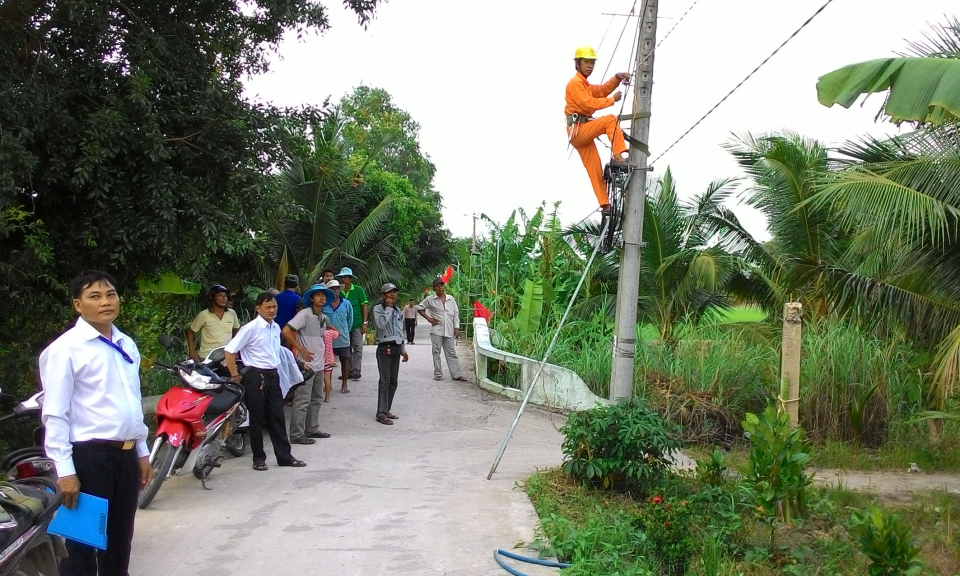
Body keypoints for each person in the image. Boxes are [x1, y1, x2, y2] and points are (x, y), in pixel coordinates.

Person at [39, 270, 153, 576]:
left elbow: (132, 402)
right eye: (95, 296)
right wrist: (65, 470)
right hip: (89, 458)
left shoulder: (126, 344)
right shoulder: (65, 349)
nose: (106, 302)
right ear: (78, 305)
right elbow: (55, 413)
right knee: (83, 545)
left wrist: (141, 452)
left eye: (111, 294)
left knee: (120, 541)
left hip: (125, 456)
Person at [223, 291, 306, 471]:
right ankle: (258, 458)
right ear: (258, 308)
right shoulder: (250, 328)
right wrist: (235, 375)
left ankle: (284, 456)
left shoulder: (275, 327)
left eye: (274, 307)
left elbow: (278, 352)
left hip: (272, 375)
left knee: (277, 417)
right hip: (255, 376)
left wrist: (297, 365)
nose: (271, 310)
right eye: (267, 307)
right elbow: (229, 351)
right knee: (257, 419)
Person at [565, 45, 632, 213]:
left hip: (580, 131)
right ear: (578, 64)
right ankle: (618, 155)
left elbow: (601, 90)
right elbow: (587, 104)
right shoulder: (576, 83)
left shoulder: (585, 85)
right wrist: (612, 100)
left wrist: (616, 78)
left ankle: (605, 205)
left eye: (592, 63)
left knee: (594, 168)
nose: (590, 66)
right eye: (586, 62)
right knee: (609, 120)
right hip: (578, 129)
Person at [282, 284, 335, 444]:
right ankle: (297, 434)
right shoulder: (304, 314)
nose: (322, 298)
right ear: (311, 298)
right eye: (318, 295)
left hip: (319, 363)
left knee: (316, 397)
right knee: (302, 399)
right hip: (307, 363)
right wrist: (300, 348)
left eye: (324, 295)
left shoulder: (324, 317)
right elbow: (285, 330)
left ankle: (312, 428)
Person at [417, 277, 467, 382]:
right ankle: (438, 374)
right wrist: (429, 319)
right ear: (434, 288)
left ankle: (456, 374)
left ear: (444, 286)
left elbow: (456, 313)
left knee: (451, 353)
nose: (440, 288)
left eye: (442, 285)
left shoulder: (451, 299)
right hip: (437, 330)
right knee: (436, 352)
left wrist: (456, 327)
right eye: (437, 286)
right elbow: (419, 308)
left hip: (449, 330)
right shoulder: (430, 299)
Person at [373, 283, 408, 425]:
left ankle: (386, 409)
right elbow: (381, 325)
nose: (392, 295)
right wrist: (387, 308)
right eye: (389, 292)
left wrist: (403, 349)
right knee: (385, 381)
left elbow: (400, 331)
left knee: (393, 381)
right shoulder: (378, 309)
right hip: (384, 347)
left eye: (394, 292)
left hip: (396, 347)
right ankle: (380, 413)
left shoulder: (398, 310)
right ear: (383, 296)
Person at [186, 284, 240, 362]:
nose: (224, 298)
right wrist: (192, 350)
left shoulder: (232, 313)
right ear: (212, 298)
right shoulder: (204, 315)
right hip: (207, 357)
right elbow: (190, 331)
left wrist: (235, 350)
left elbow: (237, 332)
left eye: (225, 296)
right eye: (220, 295)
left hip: (226, 356)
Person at [336, 267, 369, 380]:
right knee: (346, 349)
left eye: (345, 277)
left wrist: (364, 322)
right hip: (344, 326)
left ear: (350, 279)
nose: (343, 279)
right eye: (342, 277)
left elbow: (364, 306)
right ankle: (348, 371)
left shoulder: (358, 290)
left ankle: (356, 370)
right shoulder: (338, 292)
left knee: (357, 347)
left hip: (357, 324)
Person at [323, 278, 354, 394]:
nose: (334, 291)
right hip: (327, 340)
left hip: (343, 338)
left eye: (336, 289)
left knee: (345, 361)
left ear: (339, 290)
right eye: (331, 289)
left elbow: (350, 320)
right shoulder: (324, 305)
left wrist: (345, 331)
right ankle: (328, 385)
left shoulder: (346, 303)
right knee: (328, 363)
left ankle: (344, 384)